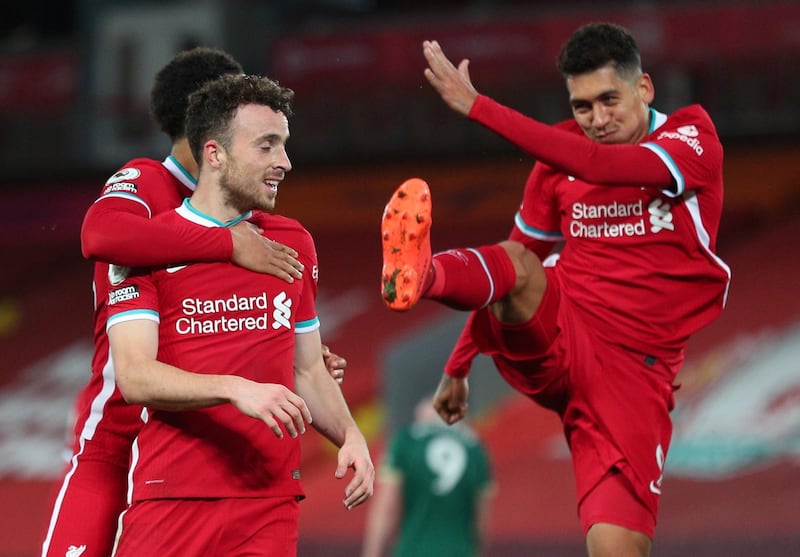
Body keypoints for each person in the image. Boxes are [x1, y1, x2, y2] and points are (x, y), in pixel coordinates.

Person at [380, 23, 731, 557]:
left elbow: (600, 166)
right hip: (561, 332)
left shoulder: (691, 140)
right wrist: (458, 363)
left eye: (609, 100)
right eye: (582, 106)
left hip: (634, 377)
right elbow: (512, 262)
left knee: (618, 547)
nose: (597, 120)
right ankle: (423, 273)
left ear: (645, 88)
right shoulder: (558, 158)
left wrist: (479, 107)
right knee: (520, 262)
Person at [40, 47, 347, 557]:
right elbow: (98, 234)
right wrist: (226, 243)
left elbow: (228, 316)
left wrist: (292, 358)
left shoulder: (246, 209)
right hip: (116, 439)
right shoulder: (146, 182)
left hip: (181, 453)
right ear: (207, 123)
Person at [107, 72, 373, 556]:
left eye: (285, 146)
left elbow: (307, 367)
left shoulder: (294, 243)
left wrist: (351, 437)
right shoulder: (145, 247)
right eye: (267, 146)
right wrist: (235, 388)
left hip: (268, 503)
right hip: (171, 498)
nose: (285, 163)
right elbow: (135, 377)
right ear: (215, 154)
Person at [361, 395, 494, 557]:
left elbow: (387, 508)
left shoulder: (406, 442)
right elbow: (481, 522)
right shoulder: (475, 450)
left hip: (413, 550)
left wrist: (373, 552)